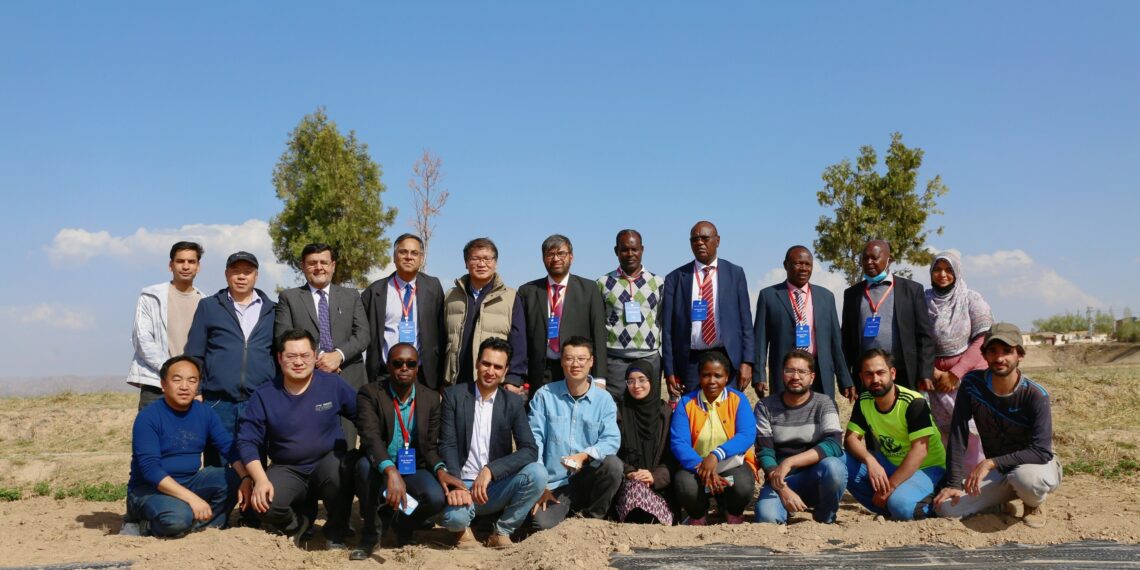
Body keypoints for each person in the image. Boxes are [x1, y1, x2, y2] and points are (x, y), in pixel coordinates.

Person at [934, 323, 1061, 528]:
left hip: (1034, 467)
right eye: (992, 351)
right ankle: (999, 505)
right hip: (1002, 472)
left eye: (1007, 351)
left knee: (1026, 479)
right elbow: (958, 431)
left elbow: (1041, 451)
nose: (999, 358)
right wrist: (953, 483)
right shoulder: (972, 384)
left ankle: (1033, 503)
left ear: (1020, 354)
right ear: (984, 355)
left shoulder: (1035, 395)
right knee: (947, 508)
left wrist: (989, 463)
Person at [238, 329, 357, 548]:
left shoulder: (333, 384)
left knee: (343, 471)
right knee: (265, 504)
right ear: (280, 358)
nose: (299, 362)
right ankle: (299, 524)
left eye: (305, 355)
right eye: (291, 356)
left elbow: (362, 415)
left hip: (327, 463)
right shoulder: (264, 395)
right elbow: (247, 441)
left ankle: (336, 529)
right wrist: (260, 479)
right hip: (287, 467)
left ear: (315, 355)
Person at [437, 338, 546, 548]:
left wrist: (490, 470)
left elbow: (530, 450)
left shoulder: (512, 402)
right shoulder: (454, 396)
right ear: (477, 363)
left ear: (505, 371)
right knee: (455, 519)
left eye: (497, 367)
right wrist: (455, 484)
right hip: (462, 484)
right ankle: (463, 530)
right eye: (486, 364)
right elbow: (447, 444)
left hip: (494, 487)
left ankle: (502, 531)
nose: (490, 371)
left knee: (538, 473)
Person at [126, 355, 249, 537]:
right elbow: (150, 470)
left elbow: (228, 446)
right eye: (177, 380)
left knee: (231, 477)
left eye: (192, 381)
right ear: (163, 384)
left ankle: (203, 528)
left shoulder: (205, 412)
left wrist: (246, 477)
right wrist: (192, 499)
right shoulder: (148, 417)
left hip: (189, 481)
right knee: (177, 518)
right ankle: (144, 525)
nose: (185, 386)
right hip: (149, 490)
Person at [351, 343, 446, 558]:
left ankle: (403, 524)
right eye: (398, 363)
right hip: (380, 465)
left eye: (411, 364)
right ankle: (371, 535)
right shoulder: (370, 393)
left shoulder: (430, 398)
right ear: (388, 366)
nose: (404, 368)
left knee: (436, 497)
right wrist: (391, 471)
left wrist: (440, 469)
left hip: (413, 467)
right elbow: (370, 437)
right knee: (363, 467)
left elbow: (430, 447)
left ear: (417, 368)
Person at [185, 251, 277, 467]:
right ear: (227, 275)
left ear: (256, 276)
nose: (241, 277)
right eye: (236, 272)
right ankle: (218, 501)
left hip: (258, 399)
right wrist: (196, 391)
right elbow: (195, 352)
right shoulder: (209, 306)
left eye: (247, 272)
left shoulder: (272, 309)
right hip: (218, 400)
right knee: (217, 459)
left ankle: (254, 501)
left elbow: (278, 353)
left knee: (255, 457)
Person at [275, 243, 370, 448]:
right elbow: (282, 337)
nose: (319, 267)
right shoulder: (289, 298)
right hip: (307, 382)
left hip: (347, 379)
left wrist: (338, 355)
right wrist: (319, 360)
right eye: (312, 263)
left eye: (324, 262)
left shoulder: (351, 296)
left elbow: (363, 335)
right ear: (303, 266)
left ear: (333, 265)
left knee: (347, 446)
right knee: (310, 445)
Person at [528, 336, 623, 530]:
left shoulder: (604, 400)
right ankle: (566, 513)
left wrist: (584, 456)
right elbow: (533, 441)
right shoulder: (545, 395)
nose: (575, 364)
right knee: (540, 523)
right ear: (562, 361)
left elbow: (611, 440)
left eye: (581, 359)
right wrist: (540, 486)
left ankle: (592, 519)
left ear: (591, 362)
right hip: (555, 483)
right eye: (570, 358)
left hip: (588, 478)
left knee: (613, 465)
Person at [844, 349, 946, 520]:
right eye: (869, 374)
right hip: (890, 464)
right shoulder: (864, 400)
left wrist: (890, 487)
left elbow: (919, 451)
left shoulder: (913, 402)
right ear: (861, 377)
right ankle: (890, 508)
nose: (875, 379)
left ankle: (920, 503)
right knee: (840, 460)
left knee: (900, 504)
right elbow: (850, 439)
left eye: (880, 373)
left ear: (892, 373)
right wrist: (870, 460)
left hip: (927, 468)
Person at [662, 221, 754, 397]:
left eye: (705, 238)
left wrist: (747, 362)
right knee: (694, 416)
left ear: (717, 241)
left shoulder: (735, 273)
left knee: (728, 415)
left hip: (728, 358)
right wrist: (669, 370)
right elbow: (667, 330)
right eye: (694, 239)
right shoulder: (676, 278)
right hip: (690, 362)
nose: (699, 243)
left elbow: (746, 322)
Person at [754, 350, 846, 525]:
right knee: (767, 517)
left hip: (815, 475)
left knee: (835, 467)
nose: (795, 376)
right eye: (790, 371)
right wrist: (782, 489)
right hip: (781, 479)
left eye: (802, 372)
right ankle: (786, 507)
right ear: (782, 374)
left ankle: (825, 516)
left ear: (812, 377)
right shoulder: (765, 406)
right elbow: (764, 452)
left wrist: (789, 462)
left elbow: (834, 444)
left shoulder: (824, 403)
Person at [753, 245, 854, 402]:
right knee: (784, 420)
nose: (804, 268)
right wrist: (759, 375)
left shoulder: (826, 297)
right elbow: (760, 340)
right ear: (786, 265)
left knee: (823, 419)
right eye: (798, 263)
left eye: (808, 264)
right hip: (786, 373)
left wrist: (845, 379)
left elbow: (836, 342)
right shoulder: (769, 296)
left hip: (820, 373)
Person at [669, 351, 757, 525]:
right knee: (685, 485)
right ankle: (698, 514)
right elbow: (679, 442)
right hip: (695, 466)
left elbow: (747, 435)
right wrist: (704, 468)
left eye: (718, 375)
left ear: (726, 378)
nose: (712, 381)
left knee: (743, 485)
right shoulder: (686, 403)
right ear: (699, 377)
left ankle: (731, 510)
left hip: (732, 463)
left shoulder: (738, 399)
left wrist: (716, 455)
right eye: (706, 375)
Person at [924, 251, 992, 470]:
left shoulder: (971, 298)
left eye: (948, 270)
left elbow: (982, 340)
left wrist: (956, 373)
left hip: (968, 378)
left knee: (972, 433)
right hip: (934, 381)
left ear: (957, 272)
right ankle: (952, 483)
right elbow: (915, 339)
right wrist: (932, 371)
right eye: (937, 269)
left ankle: (978, 486)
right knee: (942, 433)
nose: (942, 274)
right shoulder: (922, 300)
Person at [520, 235, 608, 397]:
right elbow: (521, 336)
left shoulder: (589, 289)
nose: (556, 259)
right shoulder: (528, 291)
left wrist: (600, 376)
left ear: (571, 257)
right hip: (540, 370)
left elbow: (599, 334)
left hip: (576, 368)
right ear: (543, 258)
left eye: (561, 253)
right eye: (550, 254)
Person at [841, 240, 934, 391]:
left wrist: (925, 372)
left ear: (889, 261)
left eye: (874, 258)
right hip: (868, 376)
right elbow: (846, 340)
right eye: (865, 258)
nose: (869, 262)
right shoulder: (852, 294)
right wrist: (847, 379)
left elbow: (924, 336)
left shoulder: (911, 290)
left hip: (905, 374)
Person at [127, 241, 205, 411]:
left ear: (198, 267)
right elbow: (142, 339)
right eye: (180, 261)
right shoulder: (151, 296)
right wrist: (171, 371)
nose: (185, 266)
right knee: (151, 436)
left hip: (191, 387)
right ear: (171, 265)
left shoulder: (206, 303)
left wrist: (193, 380)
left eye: (191, 262)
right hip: (157, 384)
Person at [442, 237, 528, 390]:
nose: (481, 264)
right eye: (475, 258)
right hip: (456, 381)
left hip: (494, 381)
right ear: (466, 263)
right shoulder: (451, 296)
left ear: (495, 263)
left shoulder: (510, 297)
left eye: (487, 259)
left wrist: (513, 378)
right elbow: (441, 338)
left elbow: (518, 340)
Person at [362, 234, 446, 389]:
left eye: (414, 253)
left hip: (423, 375)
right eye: (403, 252)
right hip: (385, 373)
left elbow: (442, 332)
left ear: (421, 258)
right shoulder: (375, 292)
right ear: (394, 257)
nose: (409, 257)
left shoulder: (433, 287)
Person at [596, 229, 665, 402]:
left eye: (634, 249)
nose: (630, 254)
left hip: (649, 358)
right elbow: (597, 323)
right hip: (615, 360)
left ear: (642, 249)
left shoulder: (658, 282)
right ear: (616, 251)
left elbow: (662, 319)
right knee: (615, 409)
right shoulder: (603, 283)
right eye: (624, 249)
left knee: (647, 408)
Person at [613, 359, 674, 525]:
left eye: (642, 380)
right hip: (629, 483)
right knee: (636, 493)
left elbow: (672, 457)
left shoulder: (665, 414)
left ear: (652, 381)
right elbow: (613, 452)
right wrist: (630, 472)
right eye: (630, 381)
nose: (636, 385)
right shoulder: (619, 412)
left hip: (659, 487)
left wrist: (654, 477)